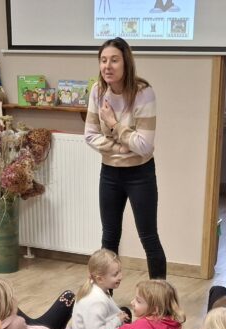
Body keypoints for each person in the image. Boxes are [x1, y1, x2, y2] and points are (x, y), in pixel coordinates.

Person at [85, 37, 166, 279]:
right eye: (103, 60)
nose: (107, 66)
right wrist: (120, 148)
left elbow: (144, 146)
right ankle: (104, 297)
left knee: (149, 237)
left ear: (126, 63)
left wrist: (113, 124)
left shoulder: (144, 93)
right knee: (109, 238)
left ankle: (160, 298)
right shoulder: (98, 91)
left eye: (114, 60)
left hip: (140, 174)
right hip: (110, 173)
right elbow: (90, 135)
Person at [70, 248, 128, 329]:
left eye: (120, 271)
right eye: (115, 274)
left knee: (125, 312)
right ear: (100, 279)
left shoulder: (97, 285)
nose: (121, 276)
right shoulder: (96, 301)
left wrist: (119, 317)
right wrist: (117, 320)